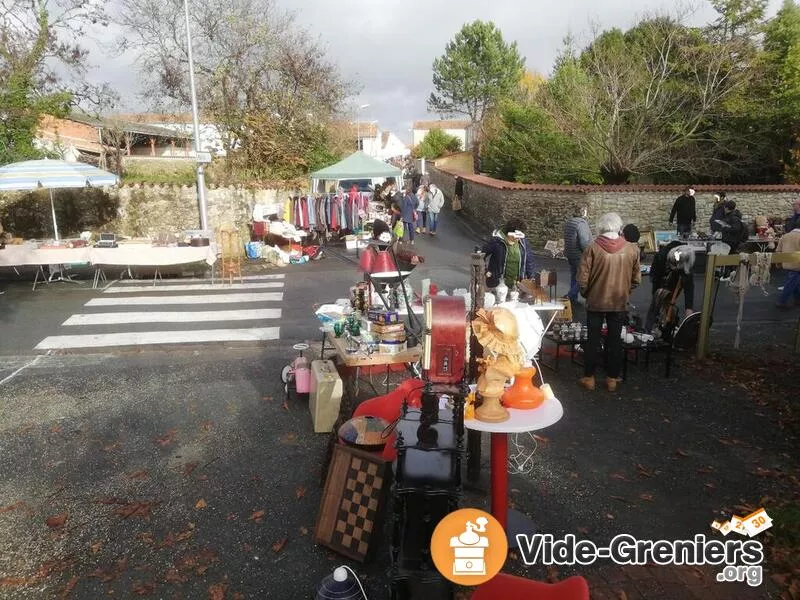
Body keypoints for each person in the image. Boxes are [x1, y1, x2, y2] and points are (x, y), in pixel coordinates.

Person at [576, 213, 641, 392]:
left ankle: (589, 377)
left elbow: (582, 278)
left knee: (593, 339)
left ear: (601, 227)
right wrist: (626, 291)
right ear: (618, 227)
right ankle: (612, 378)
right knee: (615, 340)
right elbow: (636, 278)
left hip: (596, 301)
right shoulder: (631, 249)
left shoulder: (592, 248)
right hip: (619, 301)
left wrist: (587, 293)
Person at [483, 219, 536, 290]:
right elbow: (480, 255)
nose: (518, 238)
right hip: (497, 284)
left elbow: (529, 261)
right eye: (516, 235)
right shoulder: (496, 241)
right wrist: (485, 271)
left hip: (517, 285)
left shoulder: (523, 242)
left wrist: (531, 277)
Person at [563, 207, 592, 303]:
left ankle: (573, 298)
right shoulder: (581, 224)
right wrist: (590, 253)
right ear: (583, 213)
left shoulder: (569, 222)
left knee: (574, 276)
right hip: (580, 255)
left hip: (570, 253)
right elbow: (584, 242)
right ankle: (569, 295)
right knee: (583, 278)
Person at [775, 227, 800, 309]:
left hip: (786, 263)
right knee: (791, 283)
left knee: (794, 282)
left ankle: (797, 300)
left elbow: (778, 251)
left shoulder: (785, 236)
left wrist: (778, 263)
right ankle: (782, 301)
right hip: (797, 264)